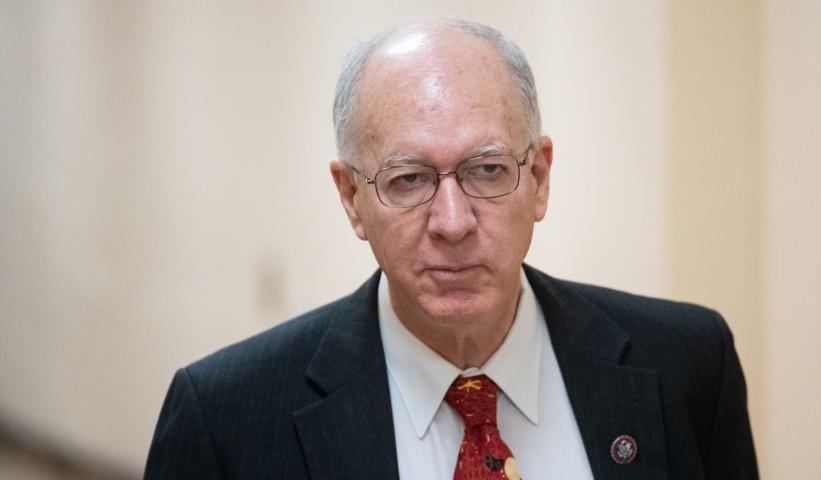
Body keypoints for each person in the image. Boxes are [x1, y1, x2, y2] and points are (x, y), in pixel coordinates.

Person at [145, 18, 758, 479]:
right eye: (408, 179)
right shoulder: (226, 419)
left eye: (488, 170)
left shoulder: (688, 366)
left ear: (540, 178)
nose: (453, 221)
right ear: (351, 198)